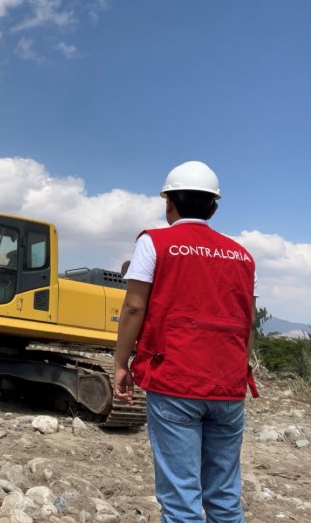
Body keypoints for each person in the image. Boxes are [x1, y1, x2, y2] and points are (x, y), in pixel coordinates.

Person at [114, 161, 258, 523]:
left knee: (181, 500)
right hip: (227, 387)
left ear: (169, 204)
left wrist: (120, 364)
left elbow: (133, 307)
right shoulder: (242, 255)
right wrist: (239, 368)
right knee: (225, 496)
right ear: (214, 207)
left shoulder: (154, 242)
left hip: (175, 380)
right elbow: (247, 322)